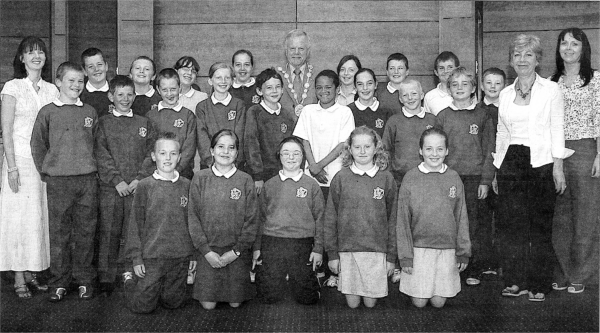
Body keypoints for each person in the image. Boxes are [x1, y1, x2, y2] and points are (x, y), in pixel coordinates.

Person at [494, 34, 573, 302]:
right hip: (510, 162)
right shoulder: (505, 93)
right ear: (510, 60)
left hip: (541, 161)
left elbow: (557, 129)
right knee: (511, 226)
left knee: (539, 226)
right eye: (517, 55)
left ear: (538, 59)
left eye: (528, 55)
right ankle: (515, 281)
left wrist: (558, 166)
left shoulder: (551, 90)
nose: (522, 60)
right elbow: (501, 133)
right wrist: (497, 168)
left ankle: (540, 282)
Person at [30, 61, 99, 302]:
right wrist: (46, 171)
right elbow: (38, 145)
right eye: (71, 80)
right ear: (58, 82)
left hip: (87, 181)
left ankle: (84, 281)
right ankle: (58, 282)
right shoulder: (47, 112)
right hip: (59, 183)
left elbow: (97, 146)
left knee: (86, 232)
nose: (76, 85)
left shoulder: (89, 112)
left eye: (80, 81)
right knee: (59, 233)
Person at [0, 36, 58, 299]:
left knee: (38, 218)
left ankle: (34, 271)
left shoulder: (52, 90)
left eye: (41, 52)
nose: (37, 56)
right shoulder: (12, 87)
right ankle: (19, 276)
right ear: (21, 58)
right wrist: (11, 167)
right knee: (18, 219)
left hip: (43, 163)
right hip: (19, 162)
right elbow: (6, 129)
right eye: (30, 52)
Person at [95, 75, 156, 294]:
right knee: (109, 231)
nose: (125, 98)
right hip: (112, 189)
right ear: (111, 96)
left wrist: (140, 178)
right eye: (120, 94)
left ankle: (130, 270)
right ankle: (106, 276)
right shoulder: (102, 123)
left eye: (130, 94)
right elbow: (101, 154)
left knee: (134, 230)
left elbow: (151, 154)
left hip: (137, 188)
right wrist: (117, 180)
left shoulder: (144, 123)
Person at [397, 128, 470, 308]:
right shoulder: (411, 177)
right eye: (429, 149)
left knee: (438, 303)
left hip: (446, 250)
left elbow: (462, 217)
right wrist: (406, 257)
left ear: (447, 151)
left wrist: (463, 253)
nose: (434, 154)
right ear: (420, 151)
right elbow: (402, 221)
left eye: (439, 149)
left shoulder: (453, 177)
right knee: (420, 303)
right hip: (419, 250)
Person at [324, 126, 397, 308]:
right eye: (357, 147)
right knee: (353, 305)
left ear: (376, 148)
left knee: (371, 304)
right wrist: (333, 254)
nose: (362, 151)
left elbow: (394, 220)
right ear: (349, 149)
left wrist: (391, 257)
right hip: (348, 251)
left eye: (367, 146)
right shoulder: (340, 178)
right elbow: (330, 219)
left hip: (376, 251)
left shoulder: (386, 179)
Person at [550, 27, 600, 294]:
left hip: (585, 150)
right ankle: (562, 270)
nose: (568, 48)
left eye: (574, 44)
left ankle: (581, 273)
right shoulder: (550, 81)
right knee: (560, 216)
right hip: (555, 153)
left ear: (584, 49)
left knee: (586, 215)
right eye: (564, 43)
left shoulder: (596, 80)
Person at [435, 67, 495, 286]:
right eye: (454, 84)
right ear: (449, 88)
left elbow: (490, 149)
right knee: (450, 222)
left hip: (474, 178)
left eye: (465, 84)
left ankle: (474, 267)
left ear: (473, 88)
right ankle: (450, 267)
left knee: (474, 223)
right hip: (449, 178)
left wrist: (485, 180)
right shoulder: (442, 116)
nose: (460, 88)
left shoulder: (482, 115)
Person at [124, 132, 196, 313]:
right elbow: (135, 224)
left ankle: (164, 287)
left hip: (179, 256)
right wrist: (136, 258)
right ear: (154, 156)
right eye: (163, 153)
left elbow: (194, 223)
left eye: (173, 153)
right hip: (152, 256)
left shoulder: (187, 185)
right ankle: (130, 281)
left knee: (173, 303)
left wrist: (193, 255)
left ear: (179, 157)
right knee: (143, 307)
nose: (168, 158)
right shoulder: (145, 186)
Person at [188, 130, 259, 310]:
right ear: (212, 150)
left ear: (237, 153)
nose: (225, 152)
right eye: (220, 147)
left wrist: (235, 252)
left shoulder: (245, 180)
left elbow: (252, 221)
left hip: (236, 253)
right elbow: (193, 218)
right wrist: (206, 251)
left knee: (235, 304)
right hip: (208, 252)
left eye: (231, 148)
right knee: (208, 305)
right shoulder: (200, 178)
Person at [253, 137, 324, 304]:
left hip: (302, 242)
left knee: (307, 299)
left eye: (296, 153)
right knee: (268, 297)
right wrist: (257, 248)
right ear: (279, 156)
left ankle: (302, 279)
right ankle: (279, 277)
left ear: (303, 157)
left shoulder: (311, 185)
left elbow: (320, 219)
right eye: (286, 153)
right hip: (273, 242)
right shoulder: (269, 185)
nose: (291, 157)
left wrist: (318, 248)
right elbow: (260, 219)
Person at [292, 69, 355, 198]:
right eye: (319, 87)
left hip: (335, 174)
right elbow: (305, 141)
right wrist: (313, 167)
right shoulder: (308, 111)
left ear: (337, 89)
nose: (323, 91)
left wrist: (320, 166)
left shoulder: (345, 112)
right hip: (310, 174)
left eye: (328, 87)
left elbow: (343, 144)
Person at [473, 67, 507, 277]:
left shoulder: (509, 109)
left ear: (505, 86)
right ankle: (483, 262)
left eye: (498, 83)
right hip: (483, 173)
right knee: (482, 220)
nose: (493, 87)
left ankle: (502, 263)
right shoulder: (476, 111)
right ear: (481, 86)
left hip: (505, 171)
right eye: (489, 83)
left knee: (504, 218)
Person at [245, 68, 296, 194]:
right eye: (269, 88)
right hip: (263, 175)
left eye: (277, 87)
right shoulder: (254, 112)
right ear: (259, 91)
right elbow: (251, 144)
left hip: (284, 173)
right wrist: (258, 176)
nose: (274, 91)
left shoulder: (287, 115)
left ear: (283, 90)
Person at [145, 68, 197, 180]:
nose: (169, 94)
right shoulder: (150, 116)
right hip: (156, 175)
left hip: (183, 175)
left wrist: (176, 171)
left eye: (173, 89)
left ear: (180, 88)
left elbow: (189, 148)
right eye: (164, 90)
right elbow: (149, 147)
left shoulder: (188, 115)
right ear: (158, 90)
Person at [382, 79, 436, 185]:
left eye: (414, 93)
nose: (410, 98)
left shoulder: (433, 120)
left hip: (429, 177)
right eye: (405, 95)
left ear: (422, 95)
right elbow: (386, 149)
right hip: (400, 179)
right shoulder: (394, 121)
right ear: (400, 99)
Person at [196, 62, 246, 170]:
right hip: (210, 166)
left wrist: (234, 162)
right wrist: (211, 161)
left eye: (227, 78)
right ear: (210, 81)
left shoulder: (239, 105)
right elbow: (202, 138)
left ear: (232, 81)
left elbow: (239, 135)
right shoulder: (202, 107)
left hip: (234, 165)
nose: (223, 81)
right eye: (218, 77)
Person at [276, 30, 318, 119]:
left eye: (301, 48)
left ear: (308, 51)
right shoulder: (276, 75)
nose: (296, 52)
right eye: (292, 48)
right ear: (286, 51)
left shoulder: (317, 76)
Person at [348, 68, 394, 139]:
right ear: (355, 87)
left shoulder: (387, 112)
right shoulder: (347, 111)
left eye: (369, 83)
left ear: (376, 84)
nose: (365, 88)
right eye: (360, 84)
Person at [423, 51, 459, 115]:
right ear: (436, 72)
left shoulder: (464, 92)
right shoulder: (429, 96)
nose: (446, 71)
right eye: (441, 68)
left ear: (457, 69)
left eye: (450, 67)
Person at [80, 47, 111, 115]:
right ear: (84, 71)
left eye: (99, 64)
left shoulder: (117, 92)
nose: (96, 69)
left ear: (106, 66)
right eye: (91, 66)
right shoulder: (78, 95)